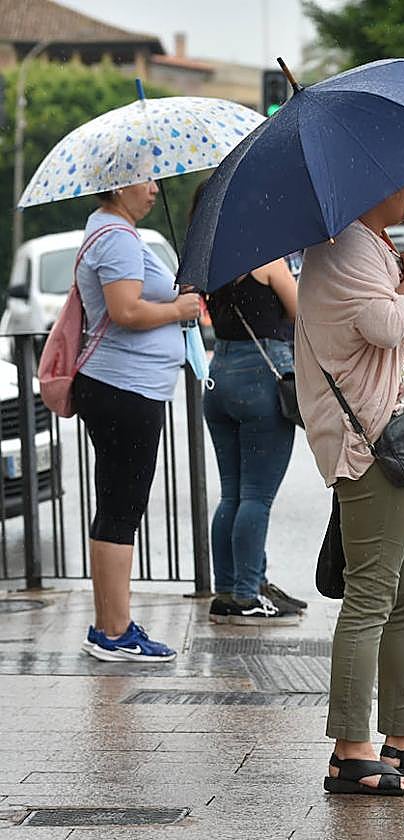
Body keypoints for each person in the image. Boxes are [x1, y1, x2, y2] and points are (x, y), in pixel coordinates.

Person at [295, 177, 404, 795]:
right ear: (370, 183)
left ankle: (401, 735)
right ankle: (350, 750)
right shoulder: (340, 249)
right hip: (367, 441)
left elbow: (395, 334)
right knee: (372, 592)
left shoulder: (367, 241)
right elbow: (385, 324)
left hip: (395, 437)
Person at [74, 181, 201, 663]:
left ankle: (109, 624)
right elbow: (125, 310)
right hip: (125, 388)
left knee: (114, 505)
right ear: (118, 182)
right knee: (122, 507)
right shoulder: (117, 238)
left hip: (120, 386)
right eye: (144, 179)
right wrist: (179, 309)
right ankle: (115, 630)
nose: (154, 189)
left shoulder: (109, 232)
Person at [192, 183, 306, 625]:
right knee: (257, 497)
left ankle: (228, 589)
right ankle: (247, 594)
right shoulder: (265, 258)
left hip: (218, 377)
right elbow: (300, 312)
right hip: (261, 379)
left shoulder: (205, 264)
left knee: (233, 495)